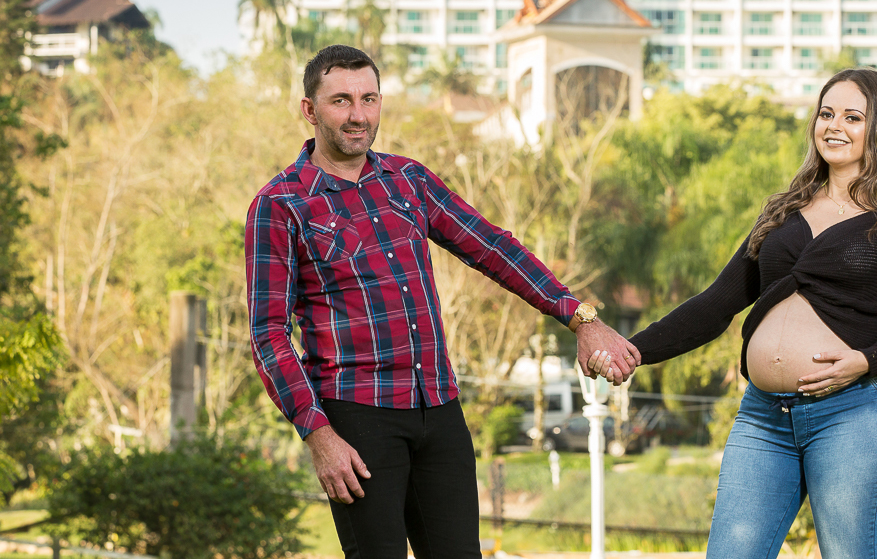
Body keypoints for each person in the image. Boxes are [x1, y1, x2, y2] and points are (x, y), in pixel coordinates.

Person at [245, 45, 639, 559]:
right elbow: (268, 336)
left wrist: (581, 318)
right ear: (309, 109)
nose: (358, 115)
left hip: (439, 408)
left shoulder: (409, 181)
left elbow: (493, 248)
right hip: (357, 416)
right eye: (341, 100)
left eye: (369, 98)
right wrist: (318, 434)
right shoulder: (279, 205)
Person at [615, 68, 877, 559]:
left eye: (853, 117)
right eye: (826, 113)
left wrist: (866, 359)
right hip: (763, 417)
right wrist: (634, 350)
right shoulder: (782, 212)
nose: (834, 126)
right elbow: (717, 303)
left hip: (853, 413)